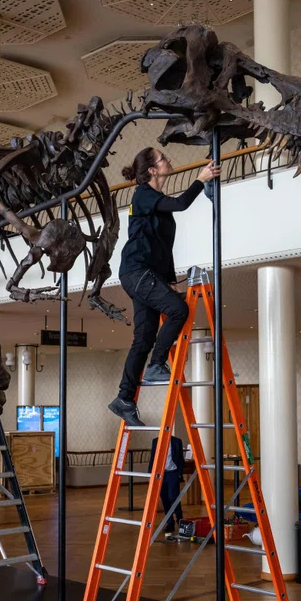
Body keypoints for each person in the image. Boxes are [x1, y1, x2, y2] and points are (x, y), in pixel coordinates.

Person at [107, 148, 221, 426]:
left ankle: (124, 398)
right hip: (137, 272)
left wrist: (168, 278)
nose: (170, 160)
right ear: (153, 170)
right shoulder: (143, 194)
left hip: (145, 274)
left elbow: (163, 248)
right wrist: (200, 178)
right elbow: (182, 204)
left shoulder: (155, 200)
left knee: (143, 339)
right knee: (178, 310)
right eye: (164, 158)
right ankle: (157, 365)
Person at [148, 435, 185, 537]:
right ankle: (170, 522)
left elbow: (180, 458)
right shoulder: (155, 441)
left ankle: (180, 519)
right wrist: (150, 474)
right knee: (164, 498)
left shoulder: (177, 441)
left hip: (173, 472)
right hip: (160, 474)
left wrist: (179, 473)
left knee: (173, 497)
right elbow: (152, 457)